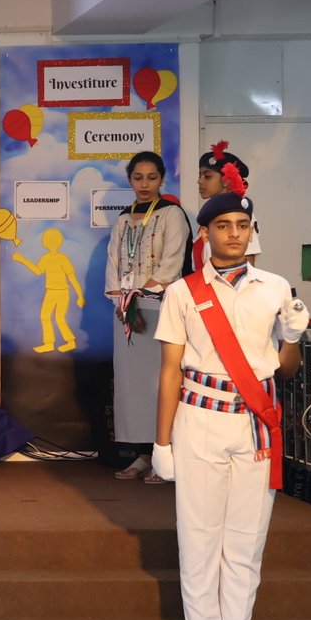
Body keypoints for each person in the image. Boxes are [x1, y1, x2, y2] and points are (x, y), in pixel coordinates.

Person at [152, 163, 308, 620]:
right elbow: (169, 371)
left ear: (252, 231)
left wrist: (292, 337)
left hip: (255, 425)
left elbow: (285, 371)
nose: (234, 234)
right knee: (199, 541)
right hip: (199, 421)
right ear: (206, 233)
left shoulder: (275, 288)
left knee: (245, 543)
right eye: (223, 226)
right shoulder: (183, 292)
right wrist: (161, 441)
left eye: (242, 226)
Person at [105, 151, 190, 483]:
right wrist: (122, 302)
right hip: (126, 312)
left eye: (151, 178)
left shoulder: (172, 214)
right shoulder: (123, 218)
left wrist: (139, 297)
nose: (144, 184)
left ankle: (164, 454)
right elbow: (113, 263)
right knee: (133, 387)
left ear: (162, 179)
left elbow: (172, 263)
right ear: (129, 179)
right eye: (138, 178)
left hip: (160, 307)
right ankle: (142, 454)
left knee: (160, 384)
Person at [193, 141, 261, 272]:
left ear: (226, 180)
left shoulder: (241, 214)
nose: (200, 181)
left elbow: (248, 262)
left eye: (207, 176)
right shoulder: (209, 215)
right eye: (199, 175)